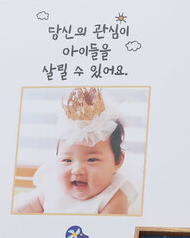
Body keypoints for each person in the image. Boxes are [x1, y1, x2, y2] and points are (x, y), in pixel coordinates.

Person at [13, 86, 138, 215]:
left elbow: (107, 232)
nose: (77, 169)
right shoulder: (52, 187)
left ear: (118, 161)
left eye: (92, 160)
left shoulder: (113, 198)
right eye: (67, 160)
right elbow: (24, 212)